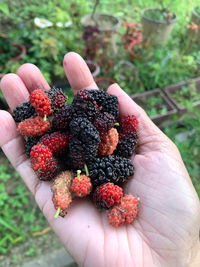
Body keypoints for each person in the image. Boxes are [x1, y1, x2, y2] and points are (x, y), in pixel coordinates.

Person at [0, 52, 199, 267]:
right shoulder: (71, 146)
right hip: (76, 157)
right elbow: (70, 146)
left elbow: (97, 147)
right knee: (69, 138)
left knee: (84, 139)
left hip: (88, 160)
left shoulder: (95, 148)